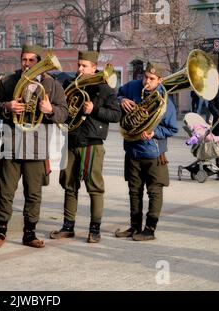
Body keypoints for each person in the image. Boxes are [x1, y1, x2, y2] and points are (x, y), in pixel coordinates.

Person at [0, 44, 68, 248]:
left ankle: (29, 233)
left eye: (32, 60)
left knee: (33, 194)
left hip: (37, 147)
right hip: (12, 145)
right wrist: (7, 106)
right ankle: (0, 231)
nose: (27, 64)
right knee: (6, 192)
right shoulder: (8, 81)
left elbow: (64, 113)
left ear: (40, 62)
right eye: (24, 59)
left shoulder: (52, 85)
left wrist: (50, 109)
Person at [49, 51, 121, 243]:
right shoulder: (70, 85)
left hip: (92, 142)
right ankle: (68, 226)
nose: (79, 69)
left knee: (94, 187)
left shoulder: (104, 88)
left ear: (94, 67)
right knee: (69, 184)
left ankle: (95, 229)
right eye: (79, 65)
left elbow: (116, 115)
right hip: (71, 139)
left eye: (84, 66)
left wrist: (94, 110)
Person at [115, 62, 178, 241]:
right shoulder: (133, 86)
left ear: (160, 80)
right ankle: (134, 227)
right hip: (133, 150)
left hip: (154, 153)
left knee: (154, 191)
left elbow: (172, 128)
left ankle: (150, 229)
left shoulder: (165, 99)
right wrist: (122, 100)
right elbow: (116, 95)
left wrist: (154, 133)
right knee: (134, 191)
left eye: (151, 79)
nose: (147, 82)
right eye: (145, 77)